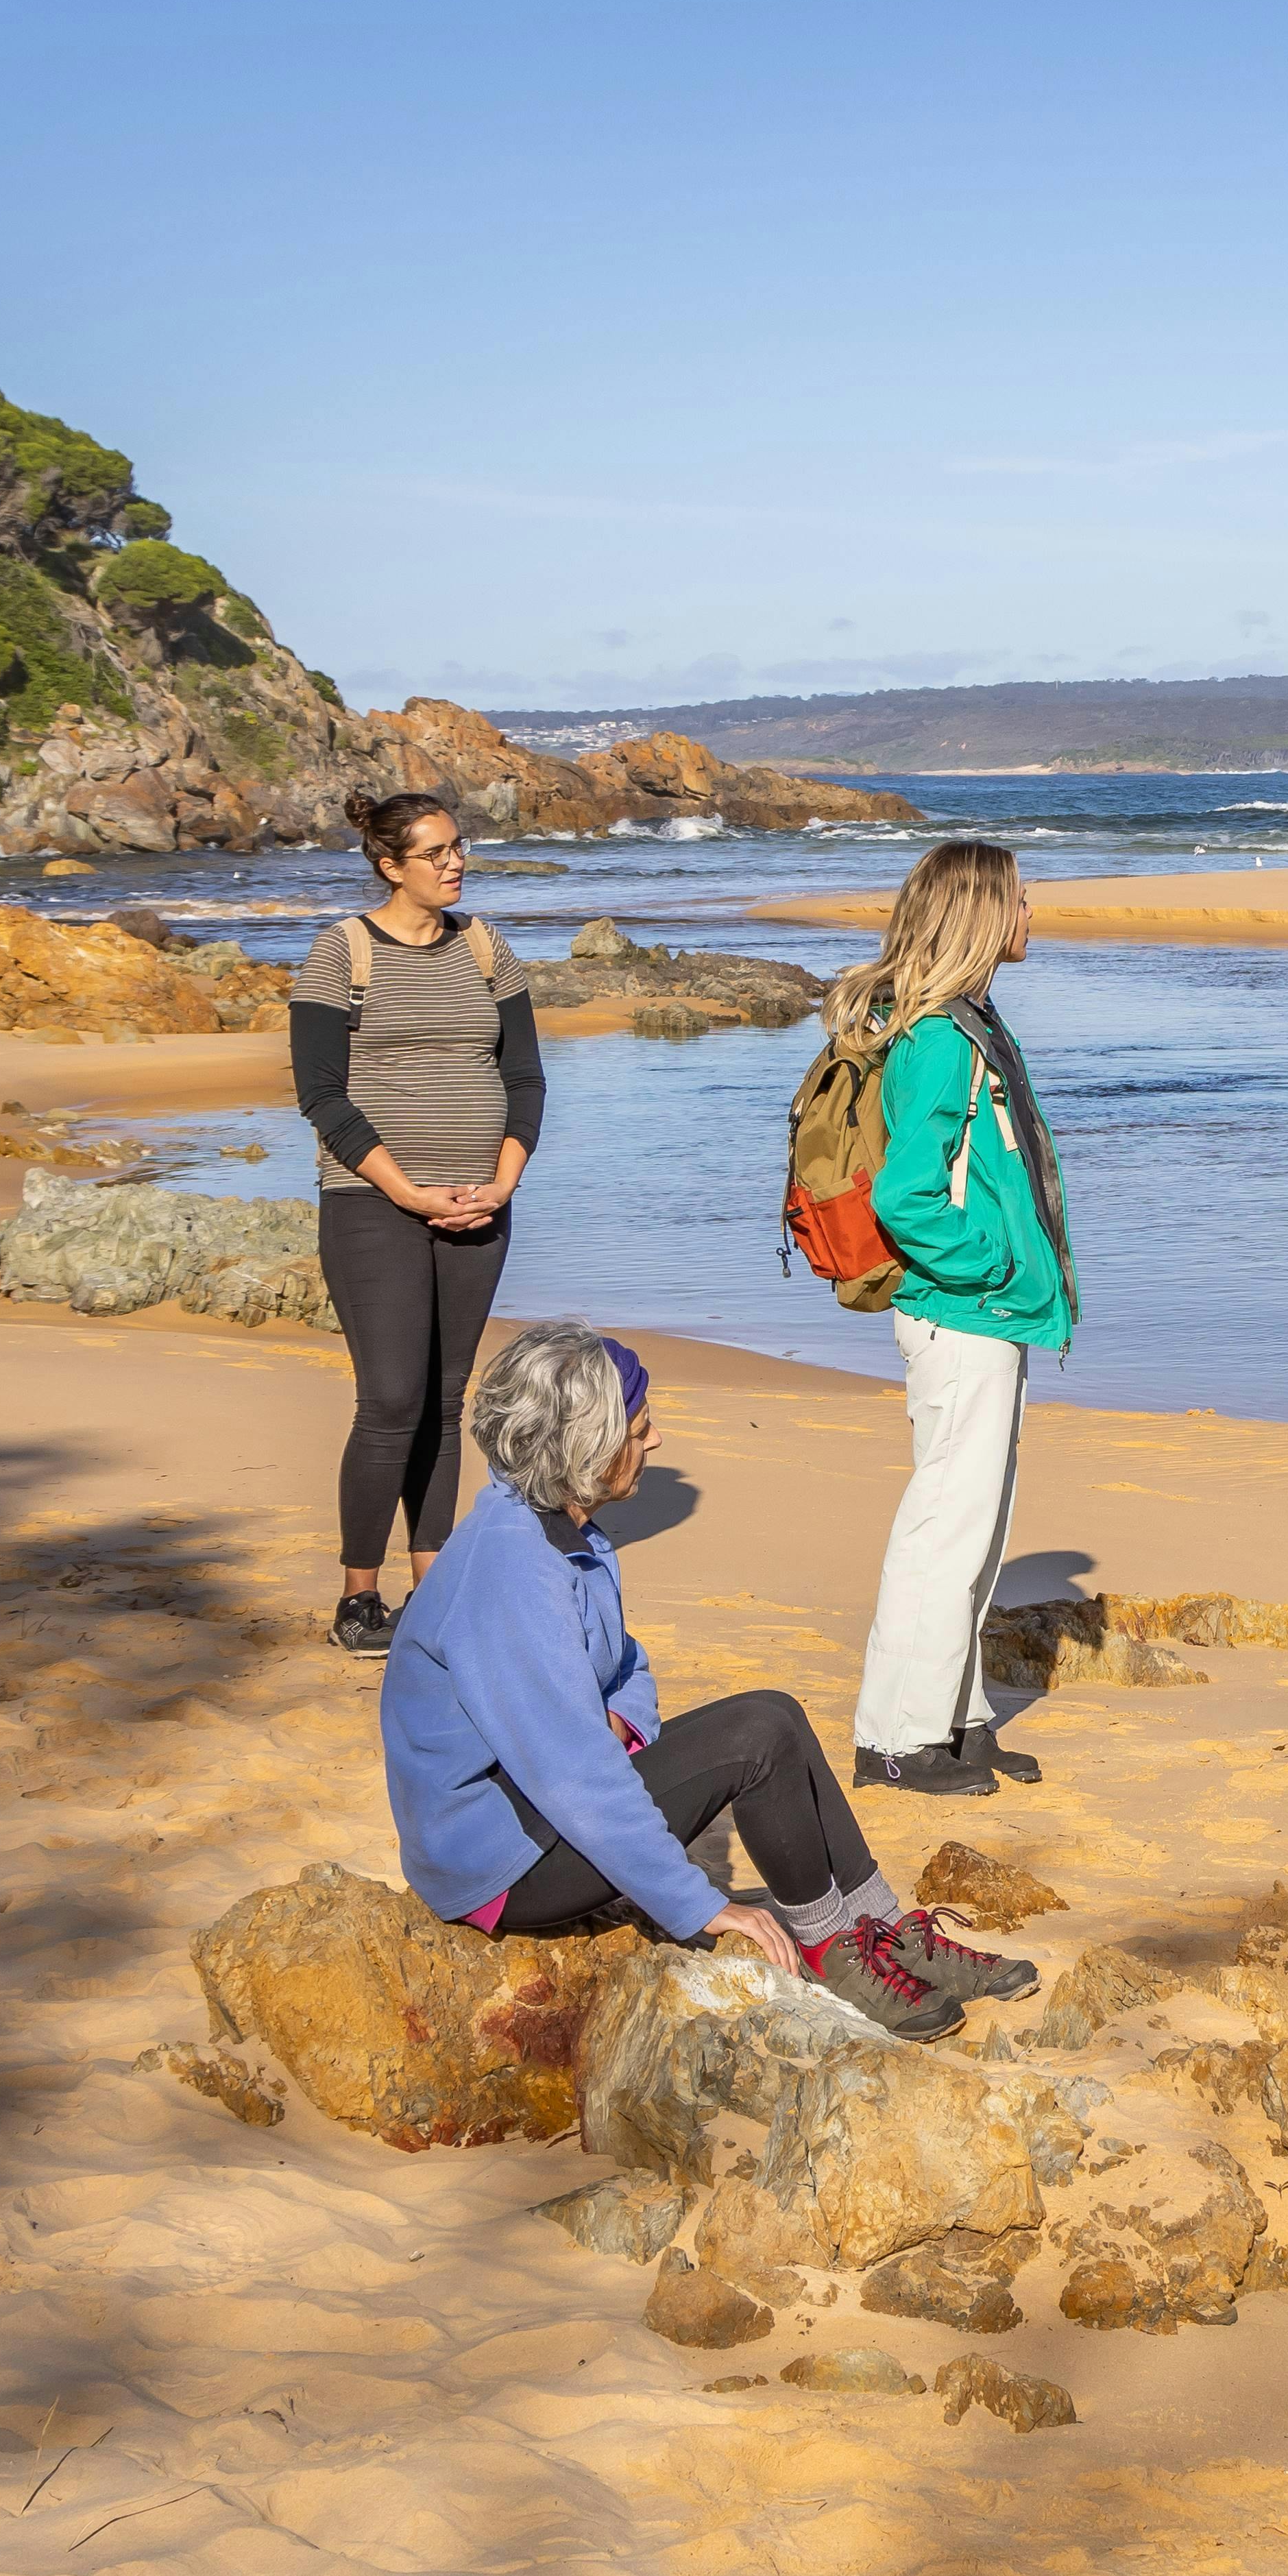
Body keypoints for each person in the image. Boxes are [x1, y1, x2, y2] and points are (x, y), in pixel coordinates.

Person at [376, 1319, 1032, 2034]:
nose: (653, 1439)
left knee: (774, 1712)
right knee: (755, 1737)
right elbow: (574, 1778)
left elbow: (628, 1666)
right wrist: (698, 1905)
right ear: (585, 1444)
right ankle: (829, 1949)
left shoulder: (564, 1531)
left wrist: (613, 1723)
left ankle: (884, 1927)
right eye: (639, 1426)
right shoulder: (510, 1569)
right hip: (498, 1861)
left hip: (533, 1817)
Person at [837, 839, 1079, 1801]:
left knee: (975, 1528)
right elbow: (905, 1198)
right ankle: (895, 1740)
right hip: (963, 1311)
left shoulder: (970, 1024)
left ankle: (959, 1722)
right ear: (982, 916)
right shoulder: (939, 1040)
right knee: (944, 1528)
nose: (1034, 913)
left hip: (989, 1313)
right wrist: (996, 1264)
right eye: (1021, 900)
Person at [294, 789, 539, 1654]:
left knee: (444, 1400)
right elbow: (321, 1096)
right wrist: (406, 1190)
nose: (453, 863)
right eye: (433, 853)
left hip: (479, 1205)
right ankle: (359, 1596)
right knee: (392, 1398)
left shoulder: (484, 946)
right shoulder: (342, 952)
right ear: (389, 865)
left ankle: (430, 1589)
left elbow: (525, 1081)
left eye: (457, 847)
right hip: (372, 1205)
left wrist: (501, 1182)